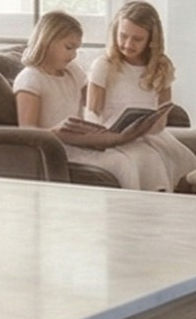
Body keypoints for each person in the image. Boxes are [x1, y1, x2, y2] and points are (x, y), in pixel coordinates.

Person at [11, 10, 165, 191]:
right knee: (122, 164)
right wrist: (58, 132)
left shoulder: (72, 71)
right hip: (57, 149)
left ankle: (151, 207)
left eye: (77, 48)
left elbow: (98, 103)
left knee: (136, 158)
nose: (73, 55)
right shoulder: (31, 79)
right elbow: (28, 133)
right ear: (47, 42)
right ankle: (126, 214)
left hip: (80, 144)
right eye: (69, 47)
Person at [85, 0, 196, 190]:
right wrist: (104, 138)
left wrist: (150, 124)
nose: (128, 44)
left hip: (149, 134)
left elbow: (162, 115)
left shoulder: (162, 67)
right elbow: (92, 112)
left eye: (137, 39)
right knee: (147, 160)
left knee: (186, 161)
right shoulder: (104, 65)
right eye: (123, 36)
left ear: (151, 40)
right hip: (112, 135)